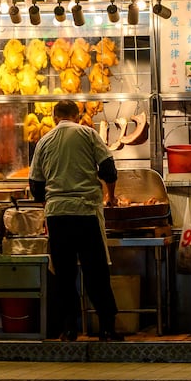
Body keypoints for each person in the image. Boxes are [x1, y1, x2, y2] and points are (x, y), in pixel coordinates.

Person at [28, 100, 124, 342]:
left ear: (54, 117)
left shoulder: (44, 141)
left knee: (64, 275)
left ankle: (69, 329)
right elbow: (108, 169)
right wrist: (110, 196)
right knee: (96, 272)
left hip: (57, 216)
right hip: (86, 213)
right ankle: (107, 329)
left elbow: (36, 185)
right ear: (77, 115)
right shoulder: (88, 134)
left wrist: (47, 202)